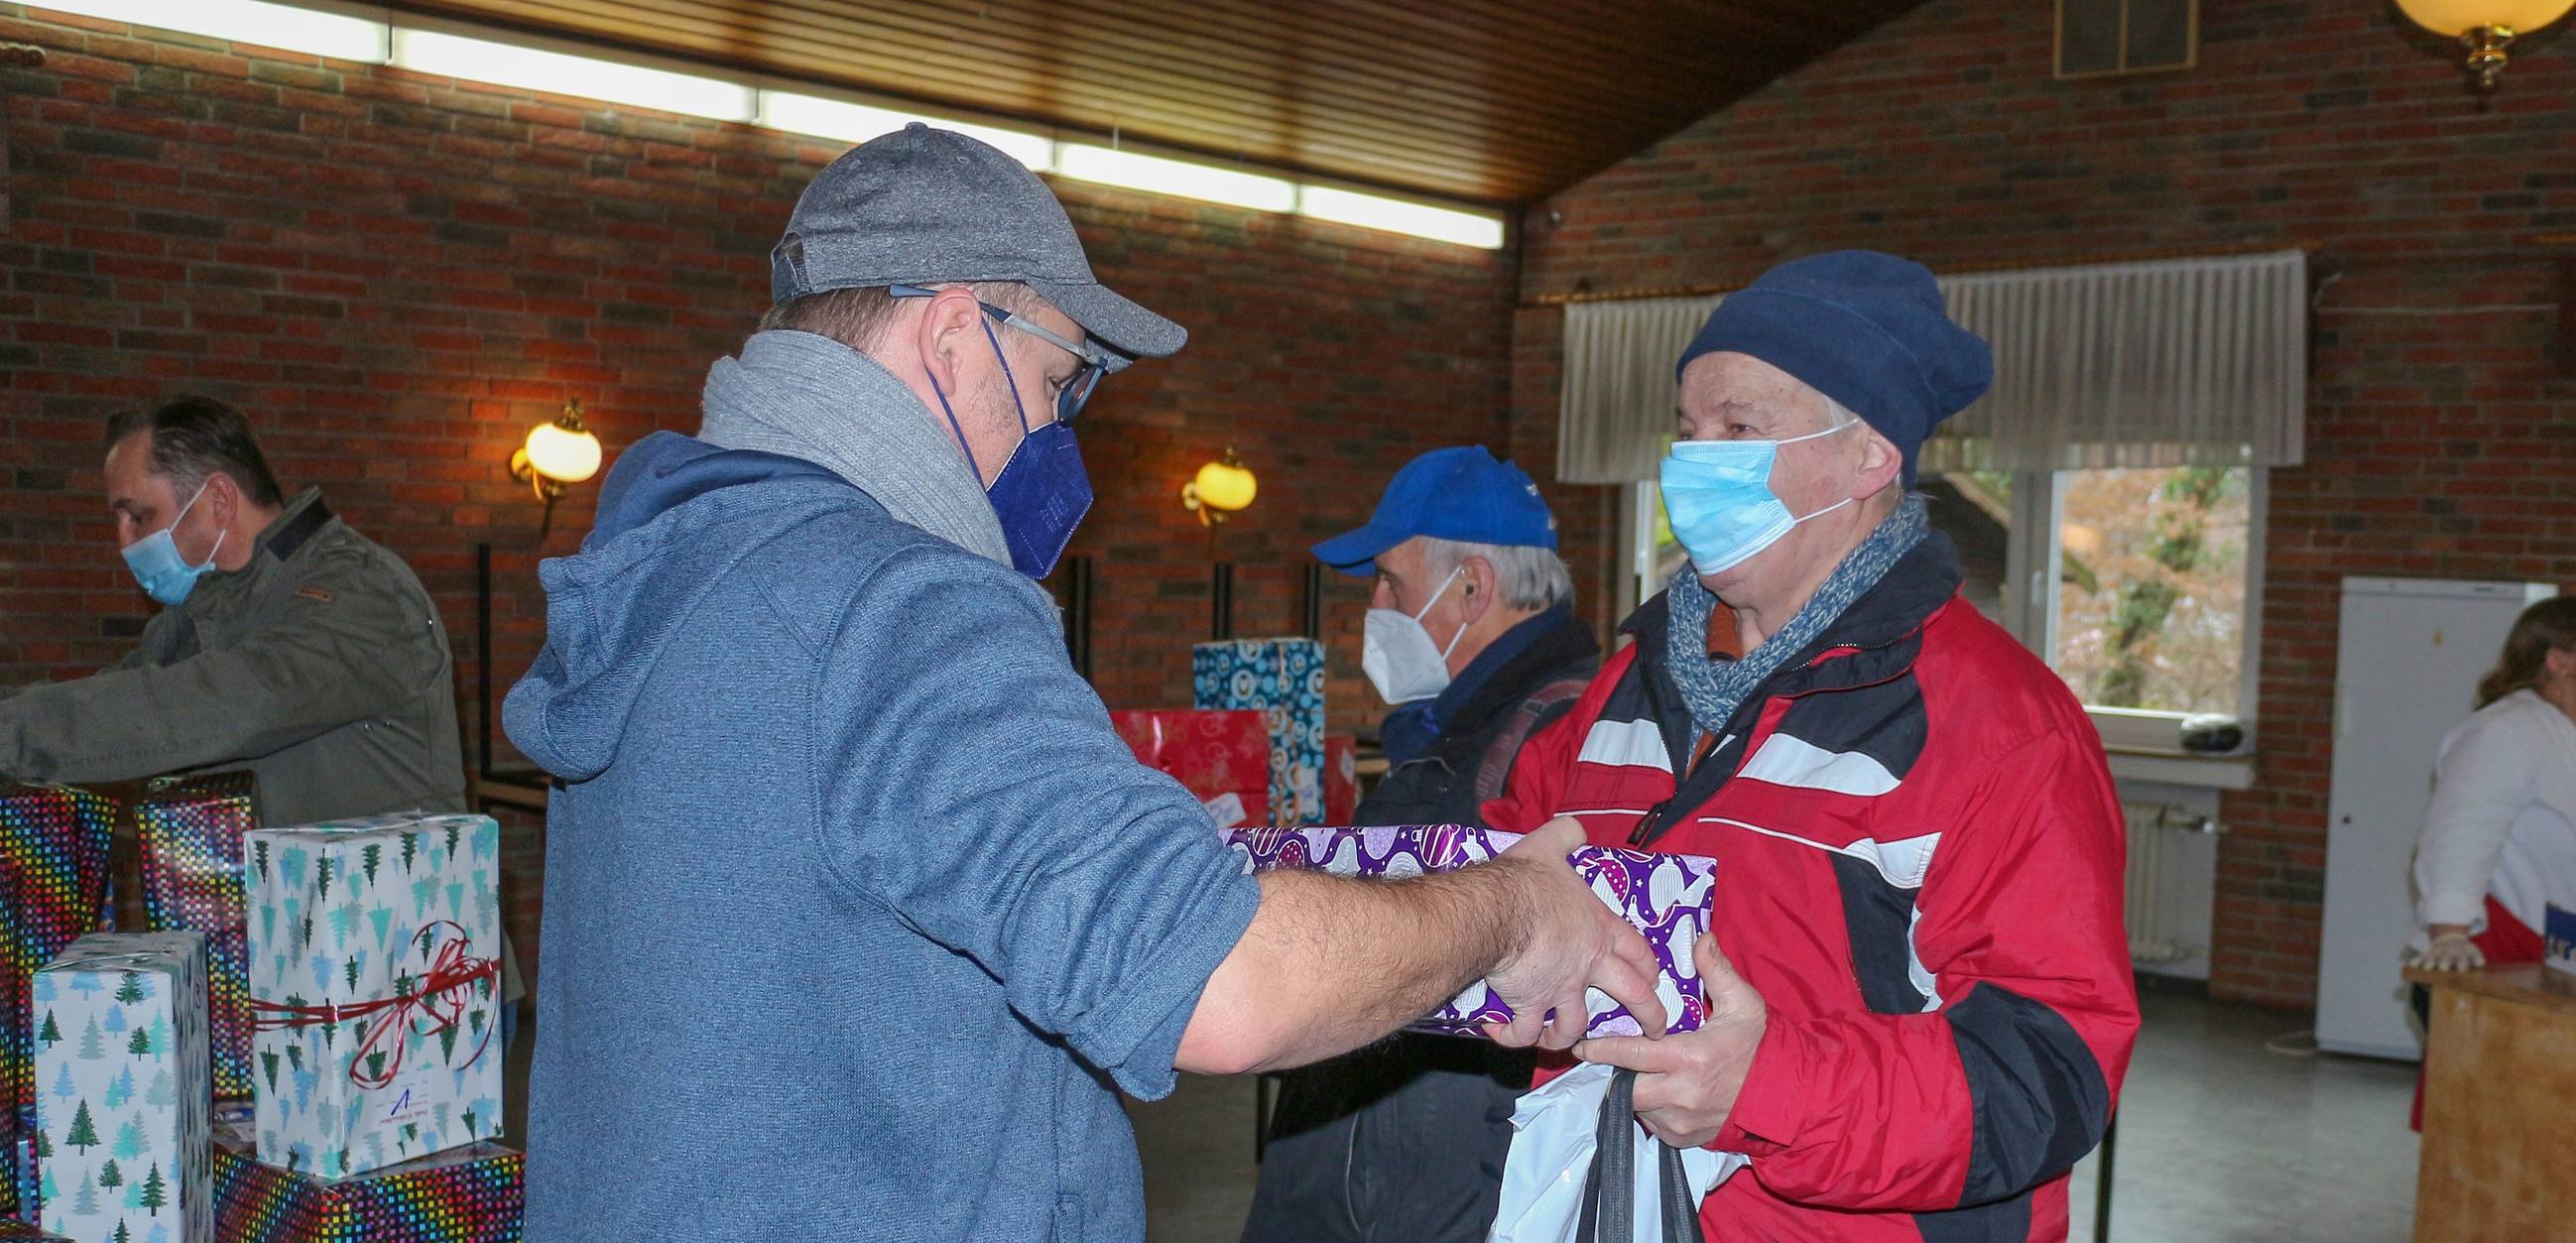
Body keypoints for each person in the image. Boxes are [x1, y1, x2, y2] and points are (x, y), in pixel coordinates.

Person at [501, 126, 1659, 1242]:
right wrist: (1515, 907)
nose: (1062, 430)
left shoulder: (692, 567)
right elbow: (1223, 980)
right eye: (1060, 381)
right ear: (954, 333)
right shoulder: (898, 603)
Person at [1484, 251, 2139, 1240]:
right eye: (1687, 430)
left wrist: (1770, 1085)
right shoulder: (1628, 682)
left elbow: (2050, 1068)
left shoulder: (2000, 725)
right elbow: (1508, 858)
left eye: (1738, 428)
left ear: (1869, 456)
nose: (1693, 461)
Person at [1243, 445, 1603, 1243]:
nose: (1375, 605)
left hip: (1428, 1178)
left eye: (1392, 583)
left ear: (1473, 585)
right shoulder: (1455, 730)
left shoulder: (1554, 735)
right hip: (1366, 1150)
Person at [0, 396, 465, 825]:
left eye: (138, 516)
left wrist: (14, 733)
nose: (124, 542)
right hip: (272, 907)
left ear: (218, 500)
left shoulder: (363, 590)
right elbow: (121, 697)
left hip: (382, 908)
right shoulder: (206, 610)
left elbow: (225, 704)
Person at [2411, 595, 2576, 971]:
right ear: (2560, 661)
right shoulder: (2504, 732)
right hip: (2512, 955)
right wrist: (2450, 933)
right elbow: (2460, 837)